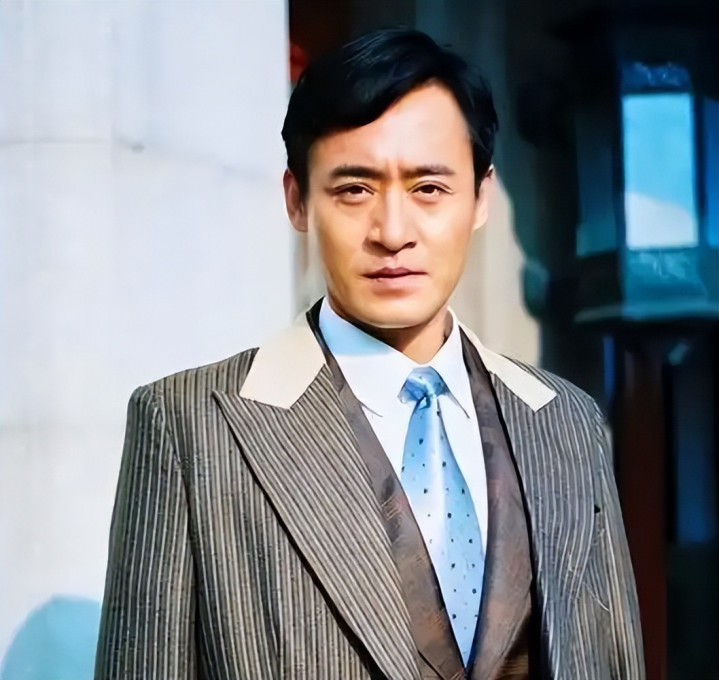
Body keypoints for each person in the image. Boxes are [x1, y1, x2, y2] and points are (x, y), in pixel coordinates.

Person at [94, 28, 644, 680]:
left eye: (428, 188)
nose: (392, 232)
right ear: (298, 200)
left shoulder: (567, 421)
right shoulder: (189, 427)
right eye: (354, 189)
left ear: (479, 198)